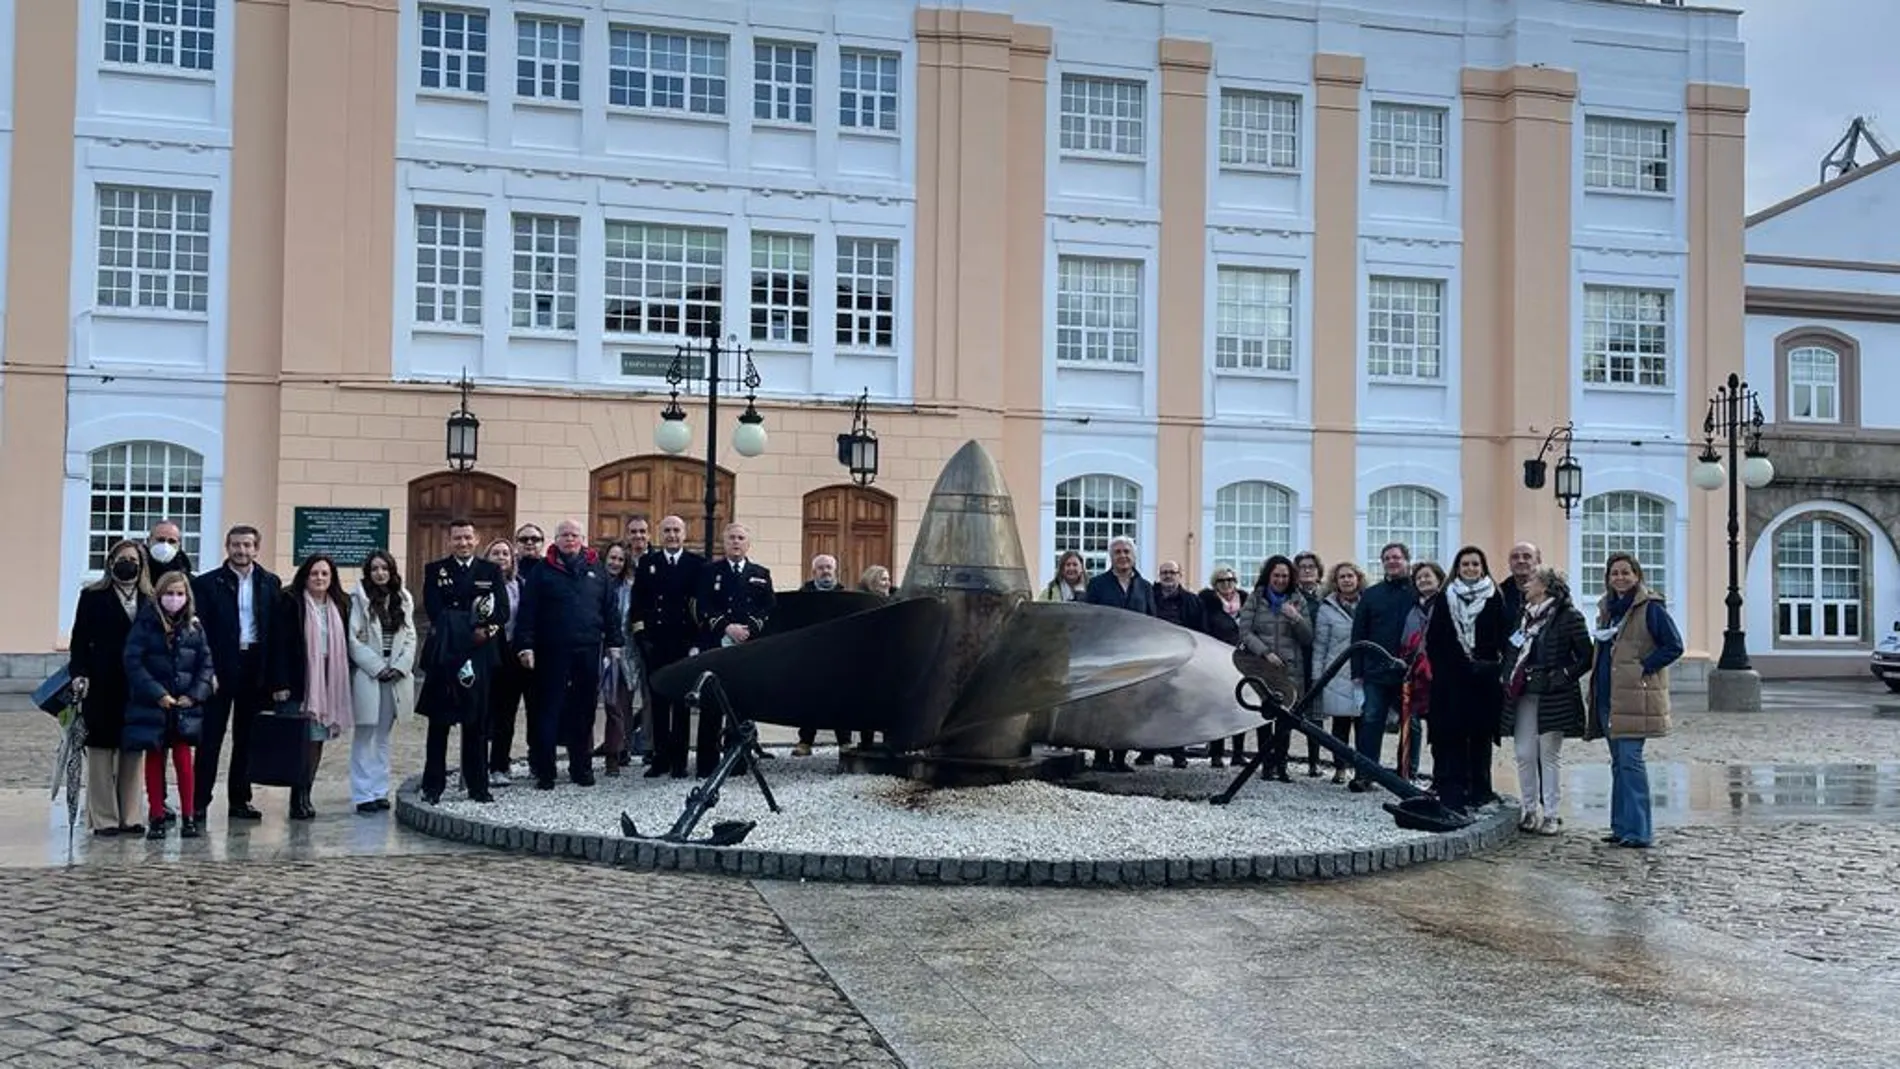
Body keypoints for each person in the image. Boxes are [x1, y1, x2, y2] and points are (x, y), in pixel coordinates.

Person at [517, 519, 623, 789]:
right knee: (548, 710)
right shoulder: (542, 571)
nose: (569, 539)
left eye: (574, 535)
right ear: (556, 539)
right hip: (551, 651)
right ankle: (545, 771)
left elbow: (610, 609)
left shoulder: (597, 571)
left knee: (584, 711)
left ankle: (581, 768)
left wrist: (615, 642)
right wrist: (526, 645)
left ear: (582, 538)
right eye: (564, 535)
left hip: (588, 650)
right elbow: (527, 611)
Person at [1589, 552, 1682, 850]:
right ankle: (1621, 827)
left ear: (1637, 575)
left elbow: (1673, 645)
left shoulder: (1649, 608)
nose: (1620, 578)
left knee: (1630, 763)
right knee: (1618, 764)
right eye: (1614, 573)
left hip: (1634, 697)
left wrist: (1645, 667)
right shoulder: (1608, 609)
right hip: (1609, 697)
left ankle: (1640, 831)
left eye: (1625, 572)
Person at [192, 525, 281, 822]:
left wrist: (276, 679)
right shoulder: (206, 584)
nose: (241, 551)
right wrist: (206, 672)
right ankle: (199, 801)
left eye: (247, 545)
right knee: (210, 738)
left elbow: (274, 633)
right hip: (219, 668)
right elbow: (199, 633)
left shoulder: (270, 583)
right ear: (227, 547)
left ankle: (240, 801)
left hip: (254, 665)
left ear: (257, 548)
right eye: (236, 545)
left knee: (247, 739)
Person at [419, 520, 509, 802]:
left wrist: (484, 631)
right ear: (449, 541)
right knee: (439, 726)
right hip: (446, 655)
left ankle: (478, 786)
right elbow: (435, 611)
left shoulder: (489, 571)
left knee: (476, 725)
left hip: (479, 656)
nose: (463, 543)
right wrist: (467, 629)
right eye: (457, 538)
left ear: (477, 539)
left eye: (468, 538)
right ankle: (432, 787)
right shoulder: (435, 570)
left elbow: (501, 612)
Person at [123, 571, 215, 840]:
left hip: (184, 705)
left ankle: (188, 815)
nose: (174, 599)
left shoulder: (194, 627)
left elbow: (206, 665)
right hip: (156, 705)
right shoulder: (146, 624)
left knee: (185, 761)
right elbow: (133, 661)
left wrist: (195, 694)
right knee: (154, 761)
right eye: (169, 593)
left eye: (179, 594)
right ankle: (157, 815)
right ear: (159, 595)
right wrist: (156, 693)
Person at [68, 540, 152, 837]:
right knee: (101, 751)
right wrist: (79, 673)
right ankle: (103, 817)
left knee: (133, 749)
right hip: (102, 681)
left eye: (132, 559)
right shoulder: (93, 596)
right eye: (121, 558)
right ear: (111, 561)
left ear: (141, 565)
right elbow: (79, 641)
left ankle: (131, 815)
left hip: (137, 685)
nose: (126, 563)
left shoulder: (149, 598)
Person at [1502, 566, 1592, 835]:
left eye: (1532, 581)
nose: (1525, 585)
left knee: (1548, 755)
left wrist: (1562, 675)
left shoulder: (1569, 617)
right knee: (1523, 754)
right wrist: (1507, 674)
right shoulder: (1523, 616)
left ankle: (1551, 813)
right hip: (1523, 693)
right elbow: (1512, 649)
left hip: (1554, 696)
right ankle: (1529, 809)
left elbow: (1586, 656)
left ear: (1546, 586)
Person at [1423, 546, 1509, 814]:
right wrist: (1455, 665)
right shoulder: (1444, 598)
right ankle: (1454, 791)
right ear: (1457, 569)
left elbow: (1503, 637)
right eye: (1465, 565)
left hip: (1483, 679)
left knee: (1481, 738)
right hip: (1451, 680)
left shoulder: (1495, 598)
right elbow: (1434, 640)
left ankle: (1480, 791)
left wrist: (1490, 667)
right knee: (1452, 737)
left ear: (1482, 567)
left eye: (1475, 564)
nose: (1470, 569)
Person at [269, 555, 355, 820]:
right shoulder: (290, 601)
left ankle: (307, 791)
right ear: (305, 576)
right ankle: (296, 797)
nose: (319, 578)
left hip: (327, 680)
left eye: (325, 574)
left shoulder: (340, 604)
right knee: (299, 741)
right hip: (299, 681)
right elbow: (278, 644)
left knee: (317, 740)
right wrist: (279, 682)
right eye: (314, 574)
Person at [692, 523, 774, 776]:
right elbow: (703, 605)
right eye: (731, 538)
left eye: (740, 538)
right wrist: (727, 627)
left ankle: (737, 762)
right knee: (712, 703)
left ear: (748, 544)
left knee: (741, 705)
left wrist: (749, 629)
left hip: (747, 645)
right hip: (717, 642)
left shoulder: (760, 573)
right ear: (724, 543)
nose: (736, 542)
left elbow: (767, 608)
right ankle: (706, 764)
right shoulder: (709, 572)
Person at [631, 516, 705, 779]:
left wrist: (697, 643)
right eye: (667, 531)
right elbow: (637, 603)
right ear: (659, 535)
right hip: (656, 643)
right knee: (659, 703)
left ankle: (680, 762)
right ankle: (660, 759)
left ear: (684, 534)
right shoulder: (648, 564)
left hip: (684, 644)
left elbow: (701, 608)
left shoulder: (696, 565)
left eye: (676, 530)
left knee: (682, 706)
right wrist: (641, 637)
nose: (672, 535)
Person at [346, 551, 416, 814]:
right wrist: (376, 667)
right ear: (368, 572)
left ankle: (380, 790)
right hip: (369, 674)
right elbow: (353, 639)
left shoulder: (403, 598)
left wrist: (399, 666)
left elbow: (410, 637)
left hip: (395, 675)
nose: (380, 573)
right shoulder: (358, 600)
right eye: (374, 569)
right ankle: (364, 794)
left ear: (391, 570)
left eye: (384, 568)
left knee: (384, 736)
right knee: (365, 733)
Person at [1235, 555, 1312, 782]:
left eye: (1285, 576)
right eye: (1276, 575)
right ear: (1268, 576)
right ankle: (1266, 764)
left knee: (1285, 718)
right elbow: (1245, 632)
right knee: (1265, 715)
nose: (1280, 580)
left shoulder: (1298, 600)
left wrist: (1296, 618)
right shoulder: (1256, 599)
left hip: (1289, 667)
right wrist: (1264, 652)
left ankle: (1282, 764)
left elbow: (1308, 638)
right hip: (1262, 665)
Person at [1348, 542, 1414, 791]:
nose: (1392, 562)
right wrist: (1357, 673)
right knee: (1371, 719)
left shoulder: (1417, 592)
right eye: (1387, 558)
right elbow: (1359, 636)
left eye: (1396, 557)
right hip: (1376, 671)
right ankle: (1365, 773)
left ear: (1406, 560)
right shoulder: (1372, 595)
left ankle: (1406, 774)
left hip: (1409, 671)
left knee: (1411, 724)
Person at [1311, 561, 1366, 784]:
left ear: (1358, 578)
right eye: (1342, 577)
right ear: (1335, 581)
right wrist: (1318, 675)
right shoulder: (1327, 608)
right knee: (1340, 725)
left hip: (1362, 670)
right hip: (1337, 671)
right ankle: (1340, 767)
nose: (1346, 580)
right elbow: (1320, 645)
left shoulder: (1368, 603)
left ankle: (1364, 769)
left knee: (1364, 724)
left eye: (1350, 576)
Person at [482, 537, 527, 785]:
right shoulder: (479, 585)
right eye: (496, 553)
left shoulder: (520, 585)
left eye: (505, 554)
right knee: (483, 712)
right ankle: (478, 764)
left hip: (512, 655)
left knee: (506, 714)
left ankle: (500, 764)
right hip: (487, 653)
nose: (501, 558)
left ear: (512, 560)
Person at [1199, 566, 1249, 767]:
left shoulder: (1246, 603)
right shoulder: (1209, 604)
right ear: (1215, 585)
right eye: (1221, 581)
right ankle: (1216, 753)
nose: (1227, 584)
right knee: (1218, 707)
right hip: (1218, 660)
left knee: (1240, 706)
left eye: (1230, 580)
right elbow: (1204, 630)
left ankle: (1238, 753)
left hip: (1243, 660)